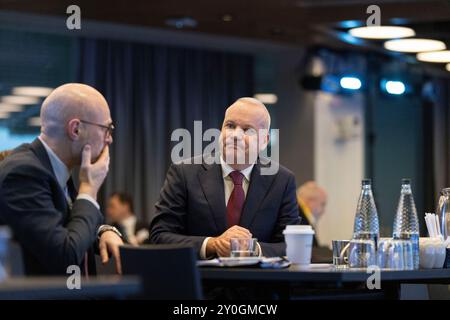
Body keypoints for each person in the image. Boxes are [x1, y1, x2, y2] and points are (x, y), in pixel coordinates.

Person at [150, 97, 300, 258]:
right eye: (230, 125)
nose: (235, 135)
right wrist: (213, 244)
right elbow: (160, 235)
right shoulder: (184, 173)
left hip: (259, 281)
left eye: (247, 130)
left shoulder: (282, 181)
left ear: (264, 141)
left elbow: (292, 246)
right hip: (202, 280)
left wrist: (253, 249)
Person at [0, 83, 123, 275]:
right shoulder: (23, 174)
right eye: (106, 128)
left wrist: (103, 231)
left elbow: (72, 224)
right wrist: (89, 190)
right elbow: (65, 257)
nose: (109, 139)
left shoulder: (53, 167)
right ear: (75, 130)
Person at [297, 181, 331, 262]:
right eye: (322, 204)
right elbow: (311, 251)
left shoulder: (296, 213)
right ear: (310, 201)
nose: (323, 211)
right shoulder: (300, 217)